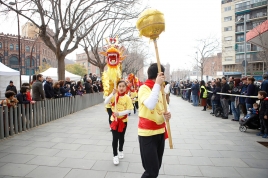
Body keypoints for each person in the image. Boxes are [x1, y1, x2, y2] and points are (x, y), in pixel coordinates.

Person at [138, 63, 171, 178]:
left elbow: (164, 106)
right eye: (163, 74)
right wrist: (157, 84)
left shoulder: (160, 89)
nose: (164, 77)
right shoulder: (144, 88)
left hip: (160, 131)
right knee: (151, 171)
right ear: (159, 75)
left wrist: (166, 115)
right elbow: (151, 105)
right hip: (147, 134)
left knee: (156, 167)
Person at [104, 80, 133, 165]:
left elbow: (130, 110)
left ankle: (120, 150)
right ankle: (115, 155)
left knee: (121, 137)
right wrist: (112, 94)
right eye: (119, 86)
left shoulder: (127, 97)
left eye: (123, 86)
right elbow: (106, 102)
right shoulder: (114, 95)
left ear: (125, 87)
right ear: (117, 87)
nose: (121, 88)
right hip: (114, 120)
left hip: (123, 121)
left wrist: (120, 113)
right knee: (115, 138)